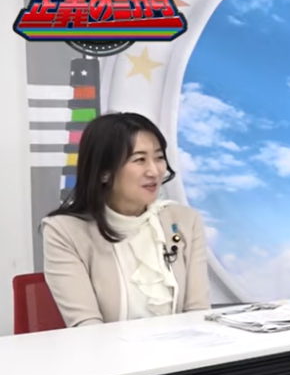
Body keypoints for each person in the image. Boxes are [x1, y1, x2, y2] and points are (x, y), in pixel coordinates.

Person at [41, 112, 211, 327]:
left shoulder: (184, 221)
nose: (154, 171)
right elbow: (87, 326)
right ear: (104, 172)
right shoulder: (64, 231)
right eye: (139, 160)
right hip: (105, 347)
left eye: (159, 157)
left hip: (183, 347)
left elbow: (198, 313)